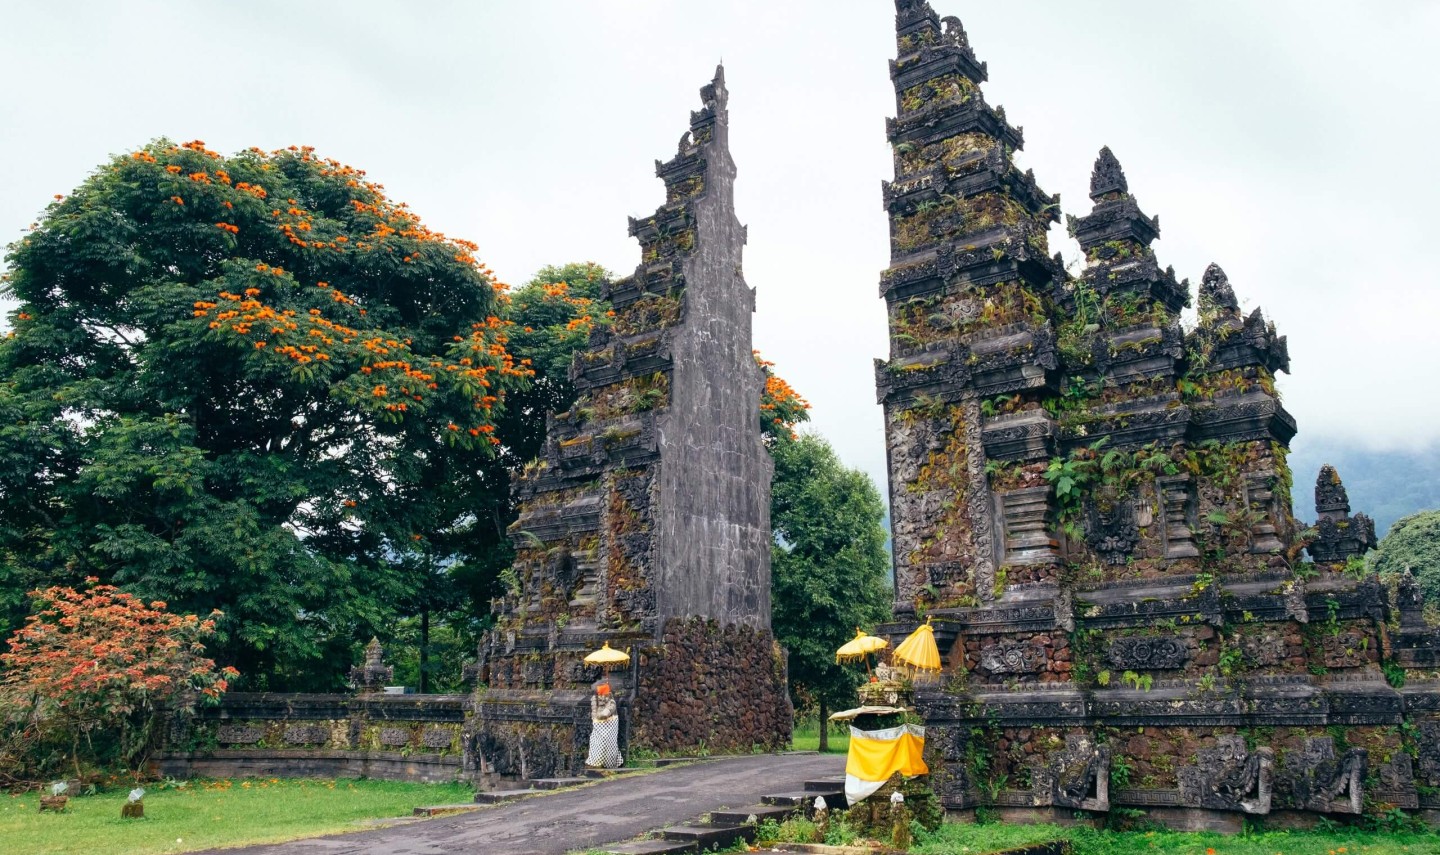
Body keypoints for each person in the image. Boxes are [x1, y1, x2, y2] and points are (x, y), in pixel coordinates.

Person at [585, 682, 623, 769]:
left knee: (609, 743)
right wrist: (596, 717)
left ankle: (610, 763)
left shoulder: (611, 700)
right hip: (598, 724)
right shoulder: (595, 699)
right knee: (596, 742)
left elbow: (609, 710)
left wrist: (603, 714)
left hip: (610, 724)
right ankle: (596, 762)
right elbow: (594, 711)